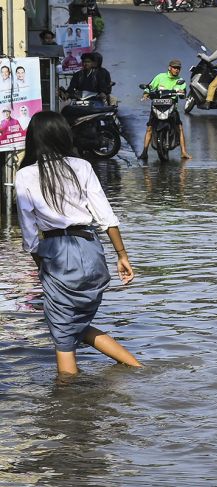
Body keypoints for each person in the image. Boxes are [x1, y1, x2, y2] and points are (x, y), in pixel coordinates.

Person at [14, 111, 141, 376]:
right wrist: (122, 255)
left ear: (33, 140)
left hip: (57, 253)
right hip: (91, 249)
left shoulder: (25, 175)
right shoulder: (81, 166)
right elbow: (105, 216)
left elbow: (29, 234)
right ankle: (136, 368)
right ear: (63, 135)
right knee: (75, 325)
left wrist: (43, 266)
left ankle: (69, 405)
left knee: (63, 332)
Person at [140, 59, 190, 160]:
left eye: (178, 68)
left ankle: (184, 152)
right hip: (157, 105)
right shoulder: (160, 77)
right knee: (149, 128)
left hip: (171, 106)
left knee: (179, 128)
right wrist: (146, 93)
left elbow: (182, 93)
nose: (177, 70)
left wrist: (181, 93)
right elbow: (150, 86)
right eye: (175, 68)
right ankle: (144, 152)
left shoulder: (180, 81)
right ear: (169, 68)